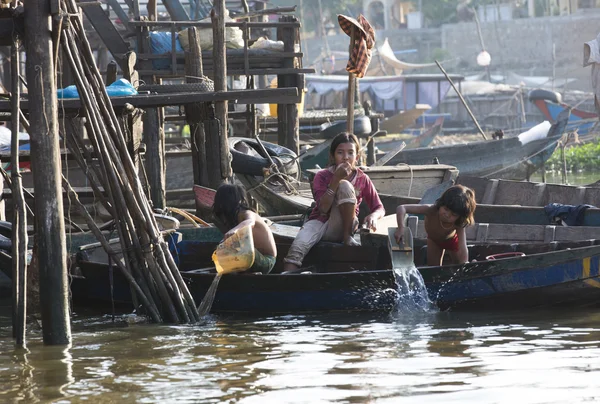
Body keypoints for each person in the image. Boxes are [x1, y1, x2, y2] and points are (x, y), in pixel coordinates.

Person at [283, 132, 385, 271]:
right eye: (340, 153)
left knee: (345, 186)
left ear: (357, 156)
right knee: (295, 251)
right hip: (320, 222)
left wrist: (373, 216)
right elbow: (323, 209)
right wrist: (336, 179)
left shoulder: (362, 178)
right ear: (332, 156)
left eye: (350, 153)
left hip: (345, 225)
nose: (346, 157)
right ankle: (288, 284)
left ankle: (347, 237)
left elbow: (379, 207)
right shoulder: (322, 176)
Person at [394, 185, 476, 266]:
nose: (447, 215)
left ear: (460, 216)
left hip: (452, 241)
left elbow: (462, 247)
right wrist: (401, 228)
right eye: (446, 209)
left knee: (459, 265)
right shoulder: (431, 210)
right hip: (434, 241)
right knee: (433, 267)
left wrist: (465, 263)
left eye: (453, 214)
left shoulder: (458, 223)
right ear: (441, 204)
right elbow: (402, 208)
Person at [212, 184, 277, 274]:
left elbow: (250, 222)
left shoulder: (247, 213)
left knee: (233, 247)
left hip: (266, 260)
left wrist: (235, 230)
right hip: (251, 258)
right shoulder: (232, 218)